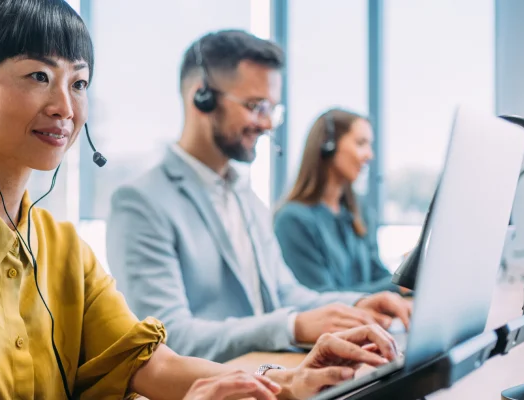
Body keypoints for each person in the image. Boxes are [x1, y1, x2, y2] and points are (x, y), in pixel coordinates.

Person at [0, 2, 401, 400]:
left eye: (77, 82)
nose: (65, 107)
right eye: (37, 76)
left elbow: (152, 362)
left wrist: (287, 381)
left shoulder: (59, 245)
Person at [106, 30, 412, 365]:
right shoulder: (140, 202)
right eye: (256, 106)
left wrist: (359, 304)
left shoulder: (245, 196)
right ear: (202, 97)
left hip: (271, 375)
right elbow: (168, 337)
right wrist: (291, 326)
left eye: (272, 109)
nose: (267, 123)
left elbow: (285, 294)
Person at [273, 109, 402, 294]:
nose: (369, 155)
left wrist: (406, 278)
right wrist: (397, 286)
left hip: (371, 321)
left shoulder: (360, 211)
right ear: (328, 145)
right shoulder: (292, 220)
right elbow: (322, 299)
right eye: (360, 143)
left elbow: (377, 274)